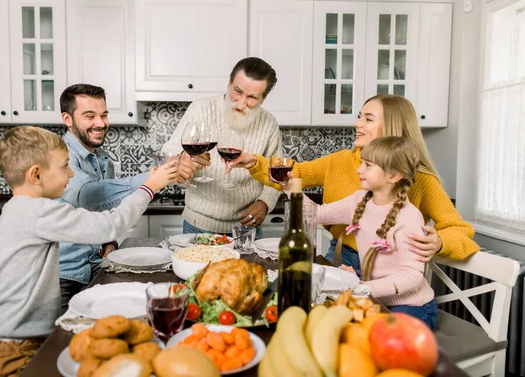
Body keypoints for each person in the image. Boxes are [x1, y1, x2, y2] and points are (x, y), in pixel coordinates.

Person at [0, 126, 177, 376]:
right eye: (64, 166)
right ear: (36, 175)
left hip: (21, 339)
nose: (71, 173)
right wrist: (149, 187)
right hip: (15, 352)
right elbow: (110, 224)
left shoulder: (21, 208)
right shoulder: (38, 213)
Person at [230, 94, 479, 275]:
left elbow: (459, 229)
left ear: (392, 127)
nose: (357, 123)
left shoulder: (420, 178)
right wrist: (253, 161)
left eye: (368, 119)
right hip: (339, 259)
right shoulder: (341, 161)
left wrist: (440, 242)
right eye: (359, 116)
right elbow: (296, 174)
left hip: (391, 271)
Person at [57, 84, 193, 312]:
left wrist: (109, 242)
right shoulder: (60, 154)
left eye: (104, 115)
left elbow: (102, 212)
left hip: (94, 266)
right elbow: (87, 196)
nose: (100, 123)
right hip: (64, 275)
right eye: (89, 116)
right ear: (67, 119)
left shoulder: (101, 158)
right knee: (62, 343)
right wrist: (152, 181)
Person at [297, 137, 438, 328]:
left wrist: (363, 287)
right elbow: (315, 215)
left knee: (377, 337)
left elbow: (412, 276)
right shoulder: (359, 200)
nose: (359, 169)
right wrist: (291, 188)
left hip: (412, 306)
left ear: (393, 175)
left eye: (368, 165)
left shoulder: (408, 218)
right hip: (375, 297)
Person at [162, 57, 282, 237]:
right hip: (197, 225)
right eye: (238, 91)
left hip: (245, 228)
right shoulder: (201, 108)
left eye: (252, 98)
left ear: (263, 99)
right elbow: (168, 151)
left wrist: (265, 203)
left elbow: (277, 174)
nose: (241, 103)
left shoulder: (269, 124)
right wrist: (182, 159)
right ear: (229, 83)